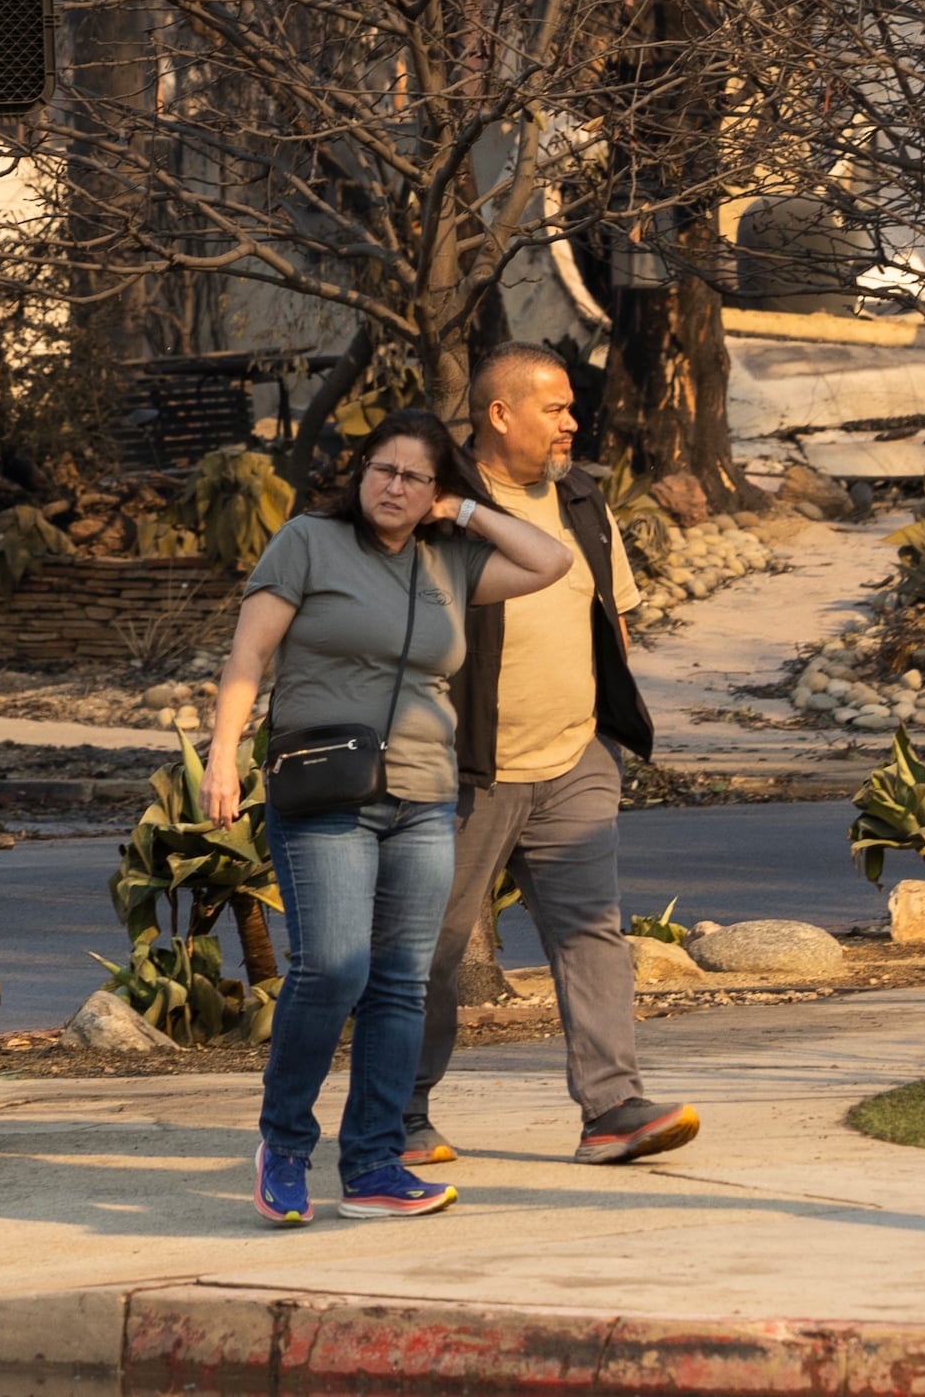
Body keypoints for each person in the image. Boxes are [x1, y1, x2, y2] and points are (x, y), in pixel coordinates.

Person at [204, 410, 575, 1227]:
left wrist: (467, 514)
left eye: (415, 476)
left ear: (436, 491)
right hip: (326, 790)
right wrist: (223, 753)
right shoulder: (307, 540)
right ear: (360, 470)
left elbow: (552, 559)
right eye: (382, 468)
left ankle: (373, 1162)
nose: (394, 486)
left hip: (423, 795)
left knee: (402, 981)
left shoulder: (450, 562)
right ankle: (287, 1146)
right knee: (332, 967)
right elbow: (246, 657)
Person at [395, 344, 699, 1169]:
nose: (572, 421)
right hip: (465, 770)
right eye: (556, 407)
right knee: (431, 948)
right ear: (500, 413)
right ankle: (400, 1115)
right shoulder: (437, 502)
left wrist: (604, 723)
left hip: (574, 758)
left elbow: (612, 613)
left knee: (591, 933)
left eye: (571, 407)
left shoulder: (581, 497)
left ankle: (611, 1108)